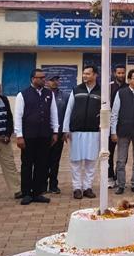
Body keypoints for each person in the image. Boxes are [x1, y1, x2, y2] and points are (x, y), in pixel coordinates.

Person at [14, 68, 59, 205]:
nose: (42, 80)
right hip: (28, 136)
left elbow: (53, 113)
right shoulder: (22, 95)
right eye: (39, 77)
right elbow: (18, 116)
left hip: (44, 135)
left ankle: (38, 192)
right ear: (32, 79)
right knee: (27, 164)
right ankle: (27, 193)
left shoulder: (48, 94)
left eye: (43, 77)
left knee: (42, 165)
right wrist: (19, 135)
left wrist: (55, 131)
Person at [63, 65, 102, 199]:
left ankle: (87, 187)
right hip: (76, 130)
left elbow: (105, 112)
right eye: (84, 73)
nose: (85, 76)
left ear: (95, 75)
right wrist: (66, 129)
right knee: (76, 161)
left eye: (88, 74)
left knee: (91, 161)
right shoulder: (76, 90)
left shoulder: (101, 91)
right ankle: (77, 188)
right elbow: (69, 110)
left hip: (93, 131)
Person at [46, 74, 69, 194]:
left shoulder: (65, 96)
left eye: (57, 80)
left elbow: (67, 114)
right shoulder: (43, 94)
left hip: (59, 134)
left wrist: (65, 131)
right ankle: (42, 184)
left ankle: (53, 185)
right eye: (52, 80)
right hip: (44, 134)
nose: (55, 82)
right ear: (46, 82)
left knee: (55, 160)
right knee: (43, 160)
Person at [108, 64, 127, 188]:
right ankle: (110, 177)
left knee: (123, 154)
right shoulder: (109, 87)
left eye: (123, 73)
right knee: (109, 152)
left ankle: (119, 176)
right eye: (119, 73)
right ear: (115, 73)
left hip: (125, 125)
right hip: (111, 125)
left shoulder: (128, 87)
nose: (121, 75)